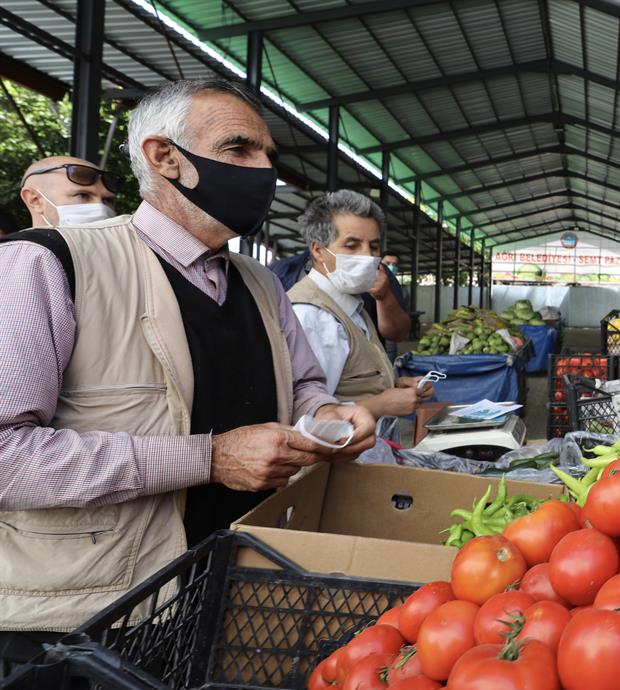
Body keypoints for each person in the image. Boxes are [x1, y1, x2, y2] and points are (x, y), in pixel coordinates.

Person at [0, 79, 375, 654]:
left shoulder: (260, 284)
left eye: (268, 157)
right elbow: (8, 457)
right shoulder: (48, 263)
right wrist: (211, 457)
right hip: (94, 616)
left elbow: (301, 384)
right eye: (239, 150)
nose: (263, 172)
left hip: (239, 587)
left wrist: (329, 413)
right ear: (165, 158)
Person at [289, 190, 430, 418]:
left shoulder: (351, 304)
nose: (367, 256)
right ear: (318, 251)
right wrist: (381, 405)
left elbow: (347, 385)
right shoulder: (313, 316)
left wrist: (392, 387)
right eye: (352, 245)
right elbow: (307, 417)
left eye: (373, 246)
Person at [270, 245, 411, 341]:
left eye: (373, 245)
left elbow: (398, 333)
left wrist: (384, 297)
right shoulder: (282, 272)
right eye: (351, 245)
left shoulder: (380, 274)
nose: (366, 253)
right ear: (317, 248)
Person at [17, 155, 118, 227]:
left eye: (108, 200)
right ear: (34, 200)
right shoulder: (16, 255)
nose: (101, 209)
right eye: (82, 195)